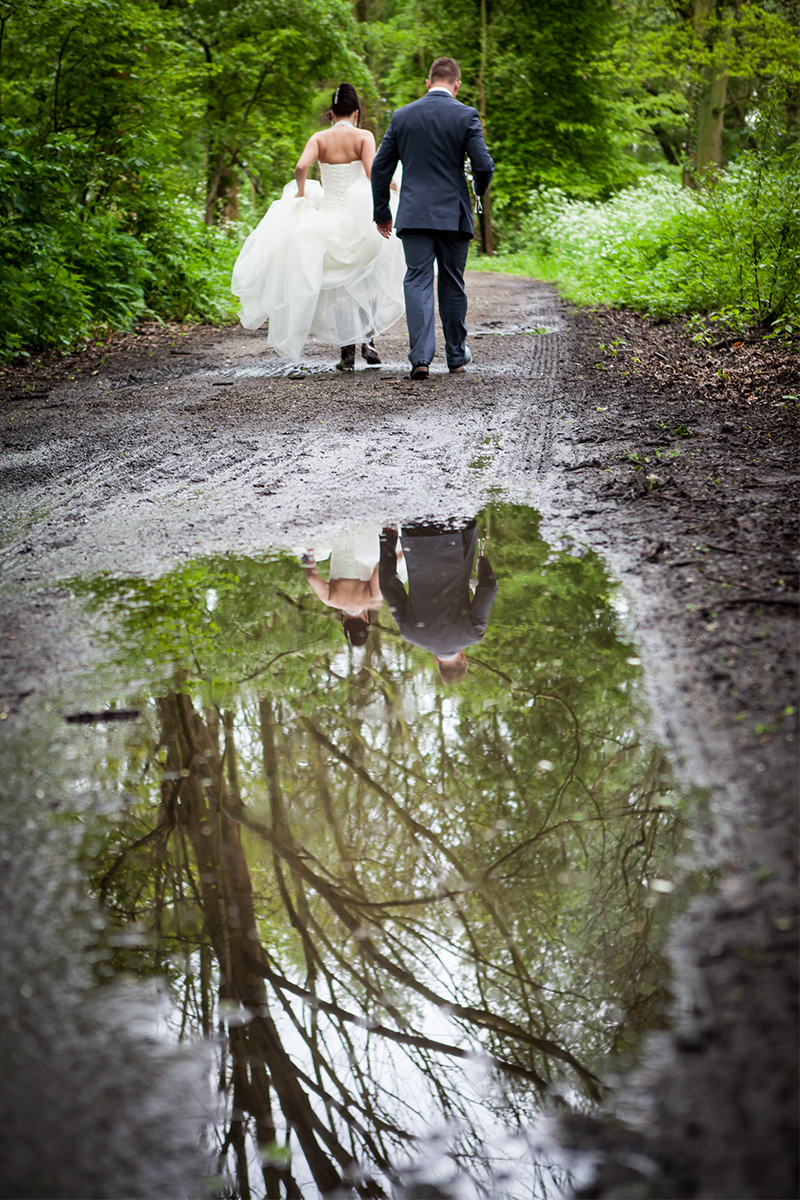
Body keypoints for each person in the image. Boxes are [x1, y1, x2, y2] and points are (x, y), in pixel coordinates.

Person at [231, 84, 405, 370]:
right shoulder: (364, 136)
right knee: (368, 274)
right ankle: (369, 342)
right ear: (357, 113)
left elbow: (301, 167)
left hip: (329, 217)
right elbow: (374, 173)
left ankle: (346, 354)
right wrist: (393, 186)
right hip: (359, 216)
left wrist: (301, 193)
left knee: (340, 286)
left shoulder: (319, 138)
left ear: (331, 112)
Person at [371, 57, 494, 380]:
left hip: (413, 214)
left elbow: (380, 168)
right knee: (452, 282)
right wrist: (478, 193)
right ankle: (455, 356)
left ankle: (421, 359)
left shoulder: (402, 116)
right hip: (453, 213)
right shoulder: (466, 115)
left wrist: (382, 212)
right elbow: (483, 165)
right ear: (457, 84)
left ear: (428, 83)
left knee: (417, 280)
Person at [379, 520, 498, 680]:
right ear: (436, 661)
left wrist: (482, 563)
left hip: (457, 539)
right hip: (416, 543)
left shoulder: (472, 634)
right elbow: (387, 585)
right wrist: (388, 538)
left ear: (464, 659)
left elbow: (488, 588)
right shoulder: (410, 634)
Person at [301, 526, 383, 646]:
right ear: (343, 620)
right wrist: (310, 550)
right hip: (338, 534)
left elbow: (379, 567)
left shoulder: (373, 599)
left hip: (365, 537)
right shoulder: (330, 599)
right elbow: (312, 578)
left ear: (367, 619)